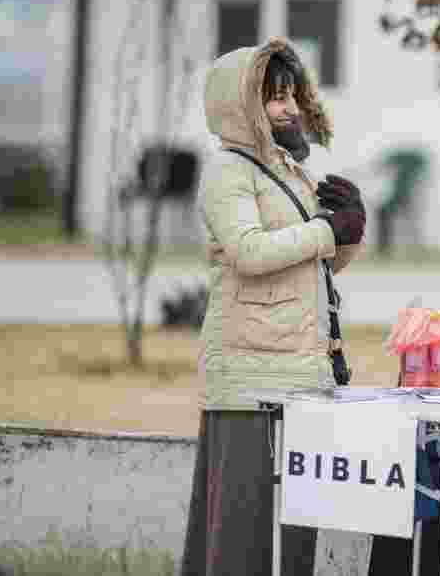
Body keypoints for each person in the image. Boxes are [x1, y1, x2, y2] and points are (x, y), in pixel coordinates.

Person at [181, 37, 365, 576]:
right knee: (246, 531)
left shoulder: (288, 169)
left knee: (289, 536)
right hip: (250, 380)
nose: (287, 109)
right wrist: (325, 230)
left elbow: (313, 264)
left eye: (291, 95)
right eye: (273, 98)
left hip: (301, 372)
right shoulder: (227, 171)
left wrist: (349, 229)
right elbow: (249, 251)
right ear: (240, 105)